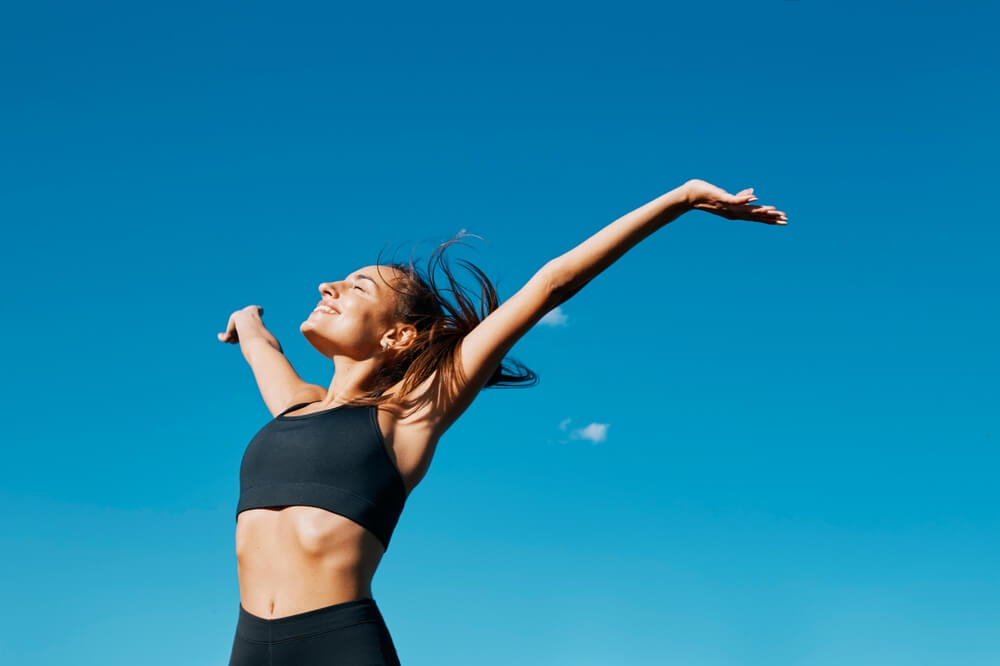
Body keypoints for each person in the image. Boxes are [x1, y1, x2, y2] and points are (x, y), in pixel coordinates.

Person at [217, 178, 787, 665]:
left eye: (357, 286)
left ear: (398, 336)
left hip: (336, 641)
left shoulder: (413, 413)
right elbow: (259, 344)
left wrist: (681, 198)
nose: (328, 286)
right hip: (247, 643)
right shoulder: (294, 405)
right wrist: (246, 319)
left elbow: (550, 284)